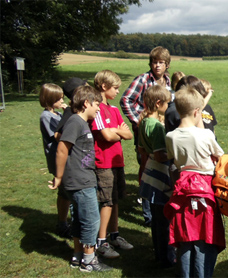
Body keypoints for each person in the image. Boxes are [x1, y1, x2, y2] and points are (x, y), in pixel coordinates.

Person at [164, 86, 225, 278]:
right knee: (205, 238)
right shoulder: (206, 134)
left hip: (182, 191)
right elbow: (220, 156)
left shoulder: (170, 136)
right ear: (197, 112)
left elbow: (174, 160)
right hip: (204, 189)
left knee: (185, 237)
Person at [49, 85, 112, 272]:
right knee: (91, 220)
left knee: (79, 219)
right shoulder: (76, 122)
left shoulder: (81, 122)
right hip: (80, 181)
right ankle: (89, 260)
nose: (99, 108)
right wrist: (58, 176)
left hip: (82, 179)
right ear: (86, 103)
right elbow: (62, 148)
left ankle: (77, 256)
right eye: (97, 105)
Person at [120, 46, 171, 227]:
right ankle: (148, 213)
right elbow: (126, 99)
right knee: (146, 168)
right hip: (147, 131)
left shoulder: (168, 82)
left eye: (161, 63)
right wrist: (138, 121)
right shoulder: (143, 79)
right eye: (154, 62)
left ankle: (160, 207)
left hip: (163, 132)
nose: (157, 66)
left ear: (167, 65)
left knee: (162, 170)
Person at [90, 70, 134, 259]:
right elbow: (107, 136)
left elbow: (129, 134)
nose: (117, 92)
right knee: (106, 201)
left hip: (117, 161)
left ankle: (114, 235)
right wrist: (118, 131)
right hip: (104, 163)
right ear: (103, 87)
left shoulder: (115, 110)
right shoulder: (97, 109)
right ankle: (101, 241)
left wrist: (116, 131)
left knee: (115, 200)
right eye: (115, 88)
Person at [137, 85, 175, 268]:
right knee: (165, 220)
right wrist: (175, 153)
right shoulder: (157, 127)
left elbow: (141, 149)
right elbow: (161, 155)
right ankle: (167, 258)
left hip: (150, 173)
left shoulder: (143, 122)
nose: (168, 107)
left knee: (157, 221)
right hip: (160, 176)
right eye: (167, 103)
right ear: (159, 103)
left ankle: (159, 254)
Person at [39, 83, 71, 238]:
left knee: (64, 192)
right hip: (56, 159)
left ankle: (62, 222)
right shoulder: (46, 116)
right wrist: (67, 116)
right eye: (58, 99)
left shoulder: (57, 114)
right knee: (66, 191)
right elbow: (58, 136)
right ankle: (63, 223)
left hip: (62, 158)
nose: (62, 100)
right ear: (50, 99)